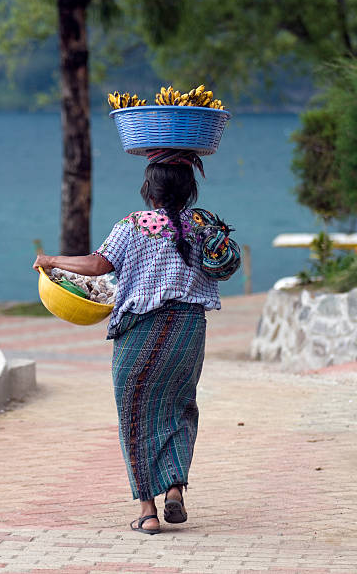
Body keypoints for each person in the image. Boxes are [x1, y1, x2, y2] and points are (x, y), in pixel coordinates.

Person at [33, 150, 240, 535]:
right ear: (189, 188)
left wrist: (51, 259)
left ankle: (147, 512)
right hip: (188, 331)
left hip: (140, 333)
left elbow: (98, 265)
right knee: (180, 408)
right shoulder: (203, 225)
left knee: (135, 416)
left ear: (150, 189)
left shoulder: (133, 225)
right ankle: (175, 488)